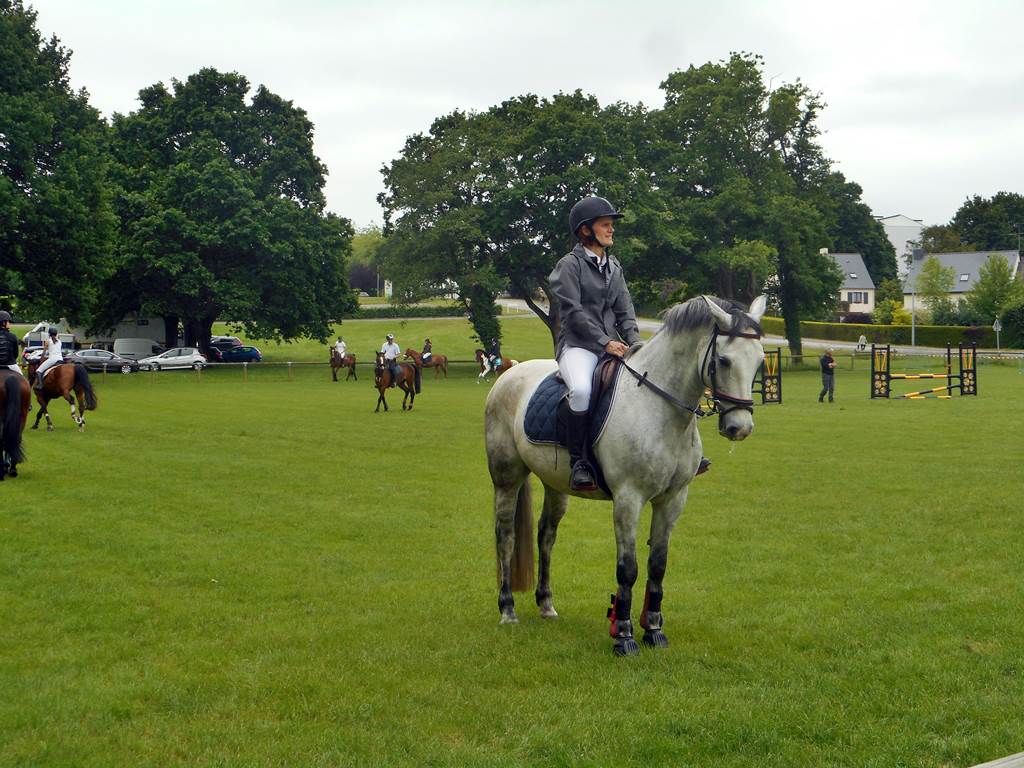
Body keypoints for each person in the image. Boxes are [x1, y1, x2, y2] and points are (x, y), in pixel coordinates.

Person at [548, 196, 643, 492]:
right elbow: (573, 314)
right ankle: (579, 462)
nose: (611, 230)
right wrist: (605, 343)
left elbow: (625, 312)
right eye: (605, 225)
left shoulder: (615, 267)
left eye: (611, 225)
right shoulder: (568, 265)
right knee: (581, 391)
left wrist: (637, 344)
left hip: (611, 344)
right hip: (577, 346)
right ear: (586, 230)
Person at [0, 311, 23, 376]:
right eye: (8, 321)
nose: (9, 323)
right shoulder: (12, 336)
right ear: (4, 322)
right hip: (11, 364)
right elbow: (16, 354)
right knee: (22, 378)